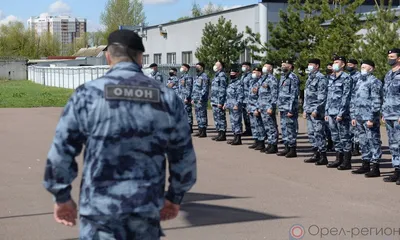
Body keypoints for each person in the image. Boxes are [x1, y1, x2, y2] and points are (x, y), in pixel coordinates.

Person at [42, 29, 197, 239]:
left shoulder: (87, 95)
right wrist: (175, 197)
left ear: (108, 56)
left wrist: (61, 196)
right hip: (145, 209)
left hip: (99, 211)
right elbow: (183, 157)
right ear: (140, 57)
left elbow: (61, 152)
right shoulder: (166, 97)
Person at [350, 60, 383, 177]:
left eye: (365, 67)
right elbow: (354, 99)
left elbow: (376, 101)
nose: (362, 69)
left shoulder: (375, 82)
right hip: (359, 117)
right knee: (363, 141)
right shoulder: (359, 81)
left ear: (371, 69)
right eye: (362, 67)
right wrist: (353, 116)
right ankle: (365, 163)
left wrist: (372, 118)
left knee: (373, 141)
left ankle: (375, 166)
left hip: (369, 118)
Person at [325, 56, 353, 170]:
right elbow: (328, 96)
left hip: (341, 113)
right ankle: (338, 158)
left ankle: (347, 161)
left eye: (337, 62)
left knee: (344, 137)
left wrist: (341, 113)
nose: (334, 64)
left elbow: (346, 96)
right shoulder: (331, 78)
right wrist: (326, 111)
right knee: (335, 136)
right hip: (331, 111)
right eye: (334, 62)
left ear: (343, 65)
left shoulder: (346, 78)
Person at [303, 58, 329, 165]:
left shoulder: (320, 78)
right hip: (309, 109)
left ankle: (323, 156)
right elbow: (306, 95)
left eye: (311, 64)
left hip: (316, 111)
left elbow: (322, 96)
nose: (309, 66)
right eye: (308, 64)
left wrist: (316, 109)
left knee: (319, 132)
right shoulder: (310, 78)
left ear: (317, 66)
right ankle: (316, 153)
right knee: (311, 133)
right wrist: (305, 109)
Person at [382, 48, 400, 185]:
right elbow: (385, 96)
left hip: (398, 115)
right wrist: (383, 112)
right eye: (389, 56)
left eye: (392, 56)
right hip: (389, 114)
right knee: (393, 145)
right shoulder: (388, 74)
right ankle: (397, 170)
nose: (390, 58)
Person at [277, 59, 300, 158]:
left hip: (289, 107)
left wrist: (291, 109)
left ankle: (292, 149)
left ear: (290, 66)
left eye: (284, 65)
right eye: (282, 65)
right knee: (284, 127)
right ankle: (286, 146)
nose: (282, 66)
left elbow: (294, 95)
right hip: (283, 107)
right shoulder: (283, 77)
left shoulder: (293, 77)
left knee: (291, 128)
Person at [258, 62, 279, 154]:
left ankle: (274, 145)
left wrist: (271, 106)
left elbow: (274, 94)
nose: (264, 67)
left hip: (268, 106)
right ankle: (269, 144)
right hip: (263, 106)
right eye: (264, 66)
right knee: (266, 126)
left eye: (266, 66)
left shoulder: (272, 79)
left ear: (270, 68)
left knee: (271, 126)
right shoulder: (264, 78)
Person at [247, 67, 266, 151]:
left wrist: (257, 108)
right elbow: (249, 96)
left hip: (256, 107)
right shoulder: (252, 82)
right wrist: (248, 107)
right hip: (251, 106)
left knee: (259, 125)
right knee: (253, 125)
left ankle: (261, 142)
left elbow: (260, 97)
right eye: (253, 72)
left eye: (255, 72)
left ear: (260, 73)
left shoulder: (261, 82)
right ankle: (256, 141)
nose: (253, 73)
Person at [224, 69, 244, 145]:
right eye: (231, 73)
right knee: (233, 122)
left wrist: (237, 104)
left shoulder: (238, 83)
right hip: (230, 105)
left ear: (237, 74)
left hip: (236, 105)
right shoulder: (230, 83)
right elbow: (228, 95)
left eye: (233, 73)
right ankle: (235, 137)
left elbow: (240, 95)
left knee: (237, 121)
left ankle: (238, 138)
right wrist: (226, 103)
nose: (232, 74)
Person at [346, 59, 362, 156]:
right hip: (348, 104)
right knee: (349, 127)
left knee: (355, 127)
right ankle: (350, 145)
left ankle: (356, 147)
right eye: (348, 64)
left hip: (355, 103)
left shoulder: (358, 76)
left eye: (351, 64)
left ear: (355, 66)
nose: (349, 66)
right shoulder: (347, 76)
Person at [210, 60, 228, 141]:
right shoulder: (216, 75)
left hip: (218, 101)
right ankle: (219, 133)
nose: (215, 66)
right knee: (216, 117)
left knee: (221, 117)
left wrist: (221, 102)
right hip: (214, 100)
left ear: (220, 67)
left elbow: (222, 89)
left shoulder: (222, 75)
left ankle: (222, 134)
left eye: (216, 65)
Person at [192, 62, 209, 138]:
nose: (196, 68)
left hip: (201, 100)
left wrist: (201, 98)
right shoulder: (196, 76)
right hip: (196, 99)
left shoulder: (204, 77)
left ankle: (203, 131)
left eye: (198, 67)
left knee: (202, 115)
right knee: (198, 115)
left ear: (202, 68)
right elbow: (194, 88)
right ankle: (200, 130)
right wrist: (193, 98)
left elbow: (204, 89)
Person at [178, 64, 194, 133]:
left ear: (186, 69)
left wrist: (187, 97)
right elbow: (180, 88)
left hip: (185, 98)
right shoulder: (182, 77)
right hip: (181, 97)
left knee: (188, 113)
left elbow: (188, 88)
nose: (181, 68)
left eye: (183, 67)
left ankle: (189, 127)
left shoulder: (188, 77)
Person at [240, 62, 253, 136]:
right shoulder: (243, 76)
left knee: (249, 116)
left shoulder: (250, 76)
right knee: (245, 116)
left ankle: (252, 130)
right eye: (242, 66)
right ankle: (248, 130)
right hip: (243, 99)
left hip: (248, 99)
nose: (243, 67)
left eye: (244, 66)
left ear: (248, 67)